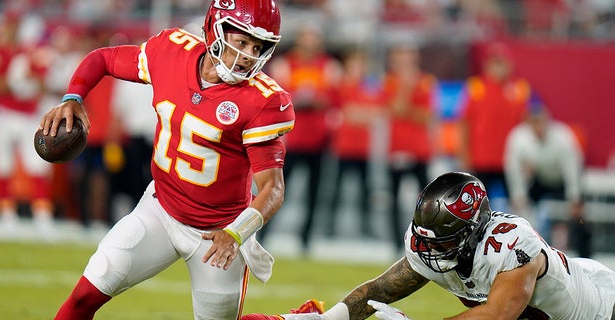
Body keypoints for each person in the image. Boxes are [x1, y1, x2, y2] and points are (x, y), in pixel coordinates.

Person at [38, 0, 295, 318]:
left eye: (258, 47)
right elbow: (103, 58)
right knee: (84, 296)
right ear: (215, 29)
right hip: (159, 210)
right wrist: (73, 96)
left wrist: (235, 234)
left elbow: (273, 189)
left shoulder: (264, 101)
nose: (247, 56)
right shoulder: (171, 52)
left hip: (216, 235)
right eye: (241, 41)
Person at [242, 172, 615, 320]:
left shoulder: (512, 246)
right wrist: (332, 319)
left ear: (473, 232)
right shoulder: (431, 244)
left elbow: (496, 316)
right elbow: (380, 290)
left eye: (444, 239)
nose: (428, 250)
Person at [259, 23, 341, 248]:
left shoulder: (328, 66)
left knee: (314, 194)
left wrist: (312, 101)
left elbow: (333, 99)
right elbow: (277, 97)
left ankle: (306, 239)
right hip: (290, 139)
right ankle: (262, 234)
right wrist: (304, 100)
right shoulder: (286, 64)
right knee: (274, 190)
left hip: (319, 140)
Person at [0, 10, 55, 237]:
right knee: (4, 165)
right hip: (4, 114)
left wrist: (26, 83)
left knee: (38, 165)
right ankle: (6, 214)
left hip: (29, 116)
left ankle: (42, 215)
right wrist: (16, 82)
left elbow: (42, 85)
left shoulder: (30, 53)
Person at [504, 93, 590, 257]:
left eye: (541, 121)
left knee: (579, 218)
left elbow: (572, 169)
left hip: (562, 181)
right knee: (520, 212)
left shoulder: (563, 137)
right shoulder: (519, 138)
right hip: (540, 180)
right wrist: (518, 195)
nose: (538, 127)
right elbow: (513, 168)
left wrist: (575, 197)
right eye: (534, 122)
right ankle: (526, 251)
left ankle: (585, 253)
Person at [456, 42, 530, 212]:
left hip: (510, 159)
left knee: (517, 206)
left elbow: (525, 126)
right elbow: (464, 124)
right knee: (477, 208)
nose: (499, 67)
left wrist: (526, 157)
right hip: (481, 159)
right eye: (495, 63)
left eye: (502, 62)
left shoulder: (519, 89)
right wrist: (464, 155)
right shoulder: (476, 87)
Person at [382, 43, 438, 252]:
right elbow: (395, 109)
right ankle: (396, 243)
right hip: (397, 148)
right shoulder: (390, 82)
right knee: (394, 198)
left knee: (425, 201)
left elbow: (427, 116)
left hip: (420, 149)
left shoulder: (426, 81)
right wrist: (406, 89)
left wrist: (408, 109)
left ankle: (424, 240)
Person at [325, 49, 384, 240]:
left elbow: (374, 114)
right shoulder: (342, 87)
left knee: (365, 191)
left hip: (362, 148)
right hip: (343, 147)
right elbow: (350, 112)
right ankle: (329, 226)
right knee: (337, 189)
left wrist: (357, 114)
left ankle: (366, 227)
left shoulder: (367, 89)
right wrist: (360, 114)